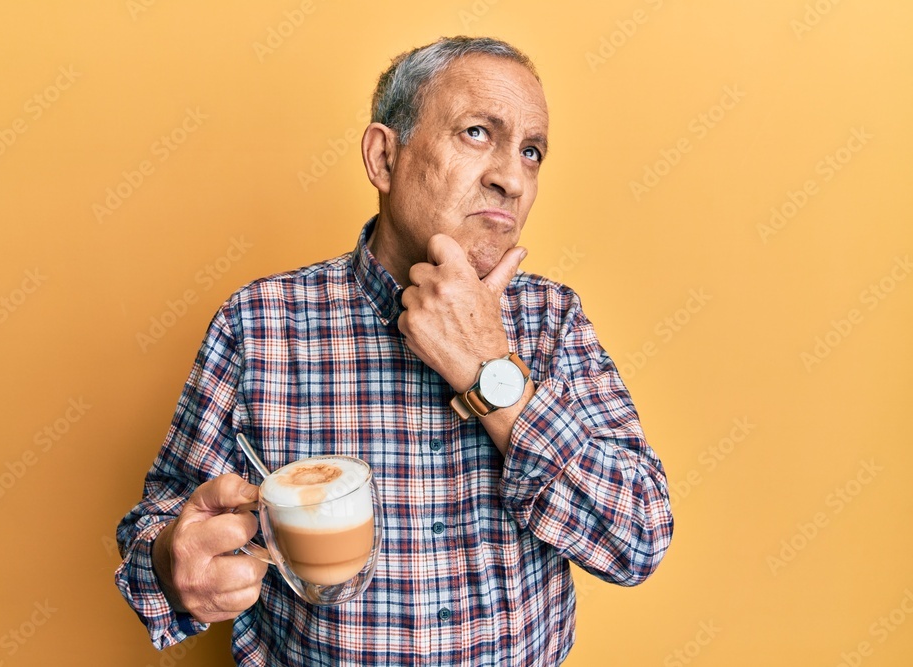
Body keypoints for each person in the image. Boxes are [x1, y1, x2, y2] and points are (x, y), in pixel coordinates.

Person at [115, 36, 674, 666]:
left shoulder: (552, 322)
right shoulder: (259, 323)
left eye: (532, 151)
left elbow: (639, 538)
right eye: (476, 133)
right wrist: (172, 564)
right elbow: (158, 530)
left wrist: (489, 368)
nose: (512, 177)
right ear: (385, 157)